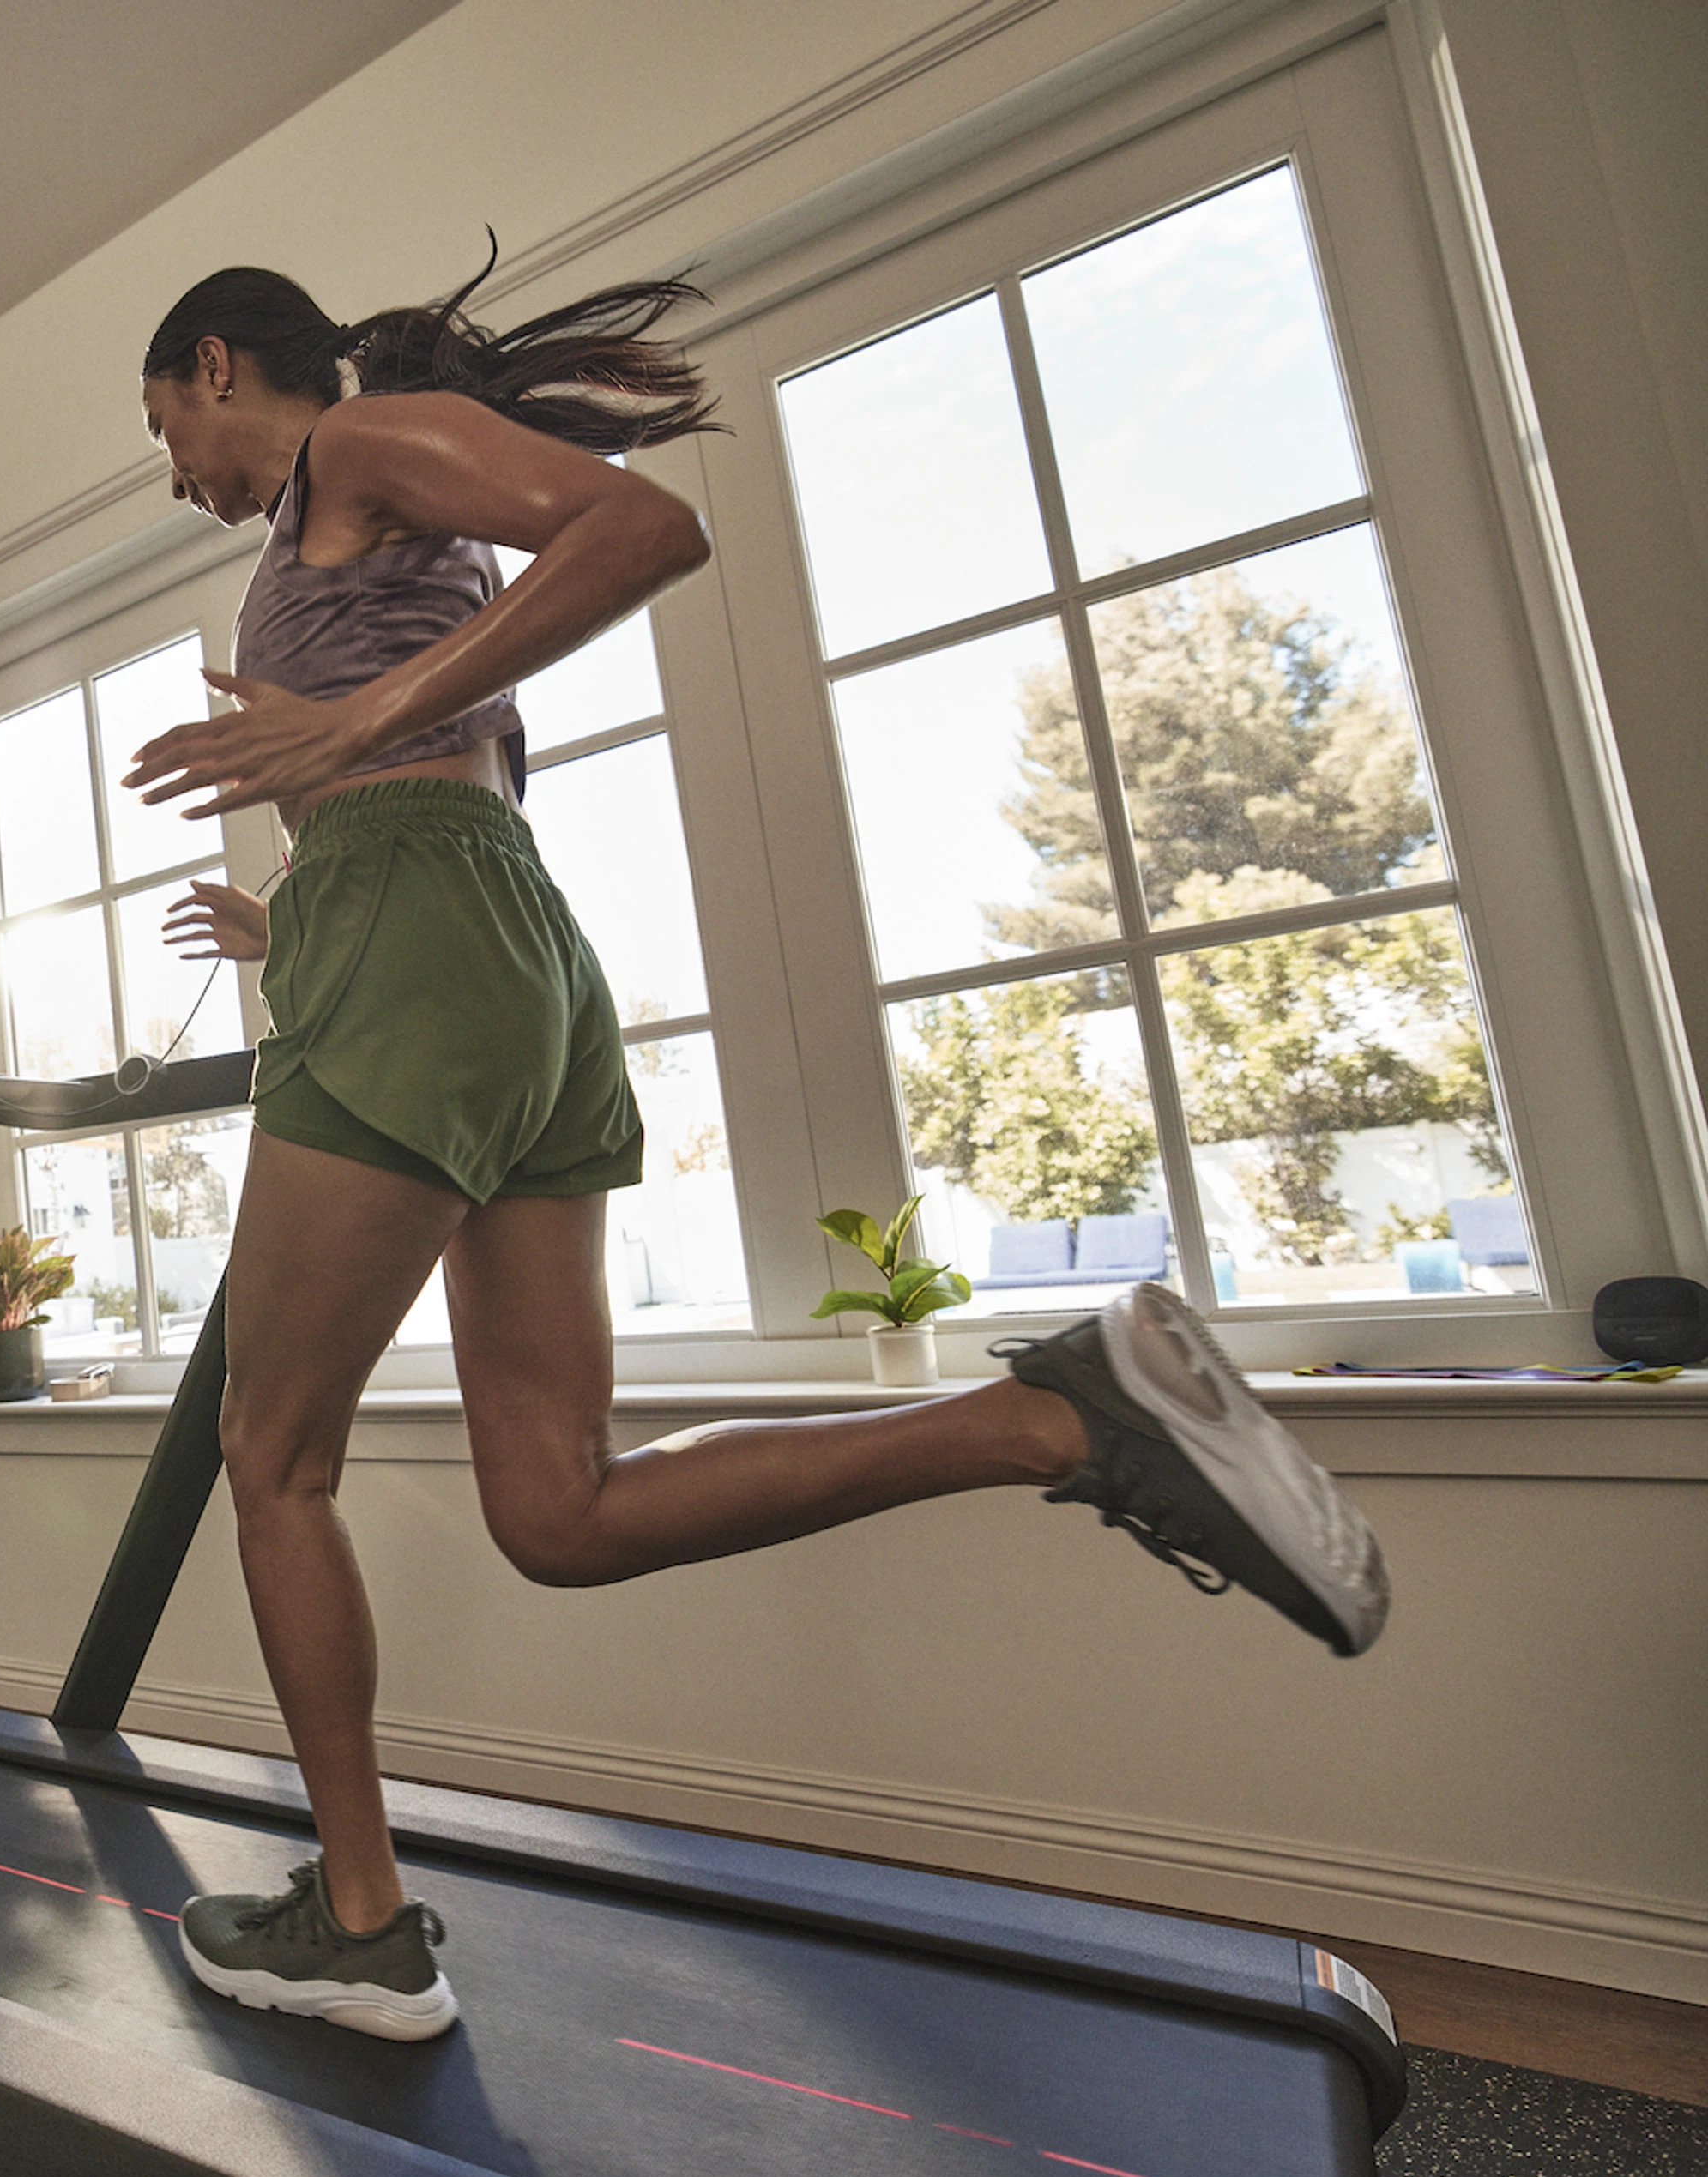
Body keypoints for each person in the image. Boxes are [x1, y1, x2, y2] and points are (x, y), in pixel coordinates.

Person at [123, 258, 1389, 2043]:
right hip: (504, 957)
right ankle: (1057, 1415)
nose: (176, 471)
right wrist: (305, 901)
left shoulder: (359, 443)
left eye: (164, 426)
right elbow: (443, 804)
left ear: (216, 364)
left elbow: (642, 530)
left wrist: (344, 744)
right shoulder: (376, 519)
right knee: (558, 1510)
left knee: (272, 1458)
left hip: (421, 940)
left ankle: (360, 1916)